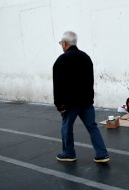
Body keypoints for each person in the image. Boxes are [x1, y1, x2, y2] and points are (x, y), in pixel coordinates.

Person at [53, 31, 109, 163]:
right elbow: (90, 80)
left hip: (70, 103)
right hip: (86, 101)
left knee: (67, 128)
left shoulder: (62, 59)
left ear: (65, 44)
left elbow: (58, 84)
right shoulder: (86, 57)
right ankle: (102, 154)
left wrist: (59, 104)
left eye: (61, 43)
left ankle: (69, 154)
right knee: (92, 127)